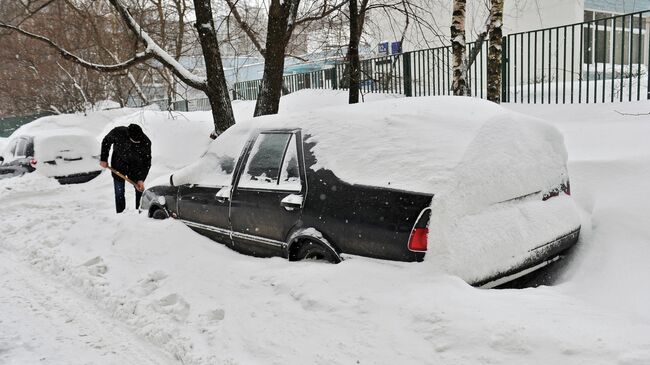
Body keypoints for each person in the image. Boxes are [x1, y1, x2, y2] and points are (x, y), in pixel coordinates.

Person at [100, 124, 152, 213]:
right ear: (128, 136)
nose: (137, 142)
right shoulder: (118, 132)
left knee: (139, 190)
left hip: (135, 167)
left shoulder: (145, 142)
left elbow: (146, 163)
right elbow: (106, 141)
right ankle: (121, 214)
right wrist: (104, 159)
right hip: (118, 164)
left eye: (138, 141)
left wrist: (141, 179)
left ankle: (139, 213)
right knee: (119, 192)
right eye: (134, 141)